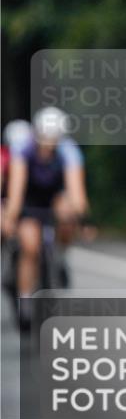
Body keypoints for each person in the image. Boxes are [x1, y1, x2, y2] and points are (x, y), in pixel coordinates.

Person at [1, 109, 92, 329]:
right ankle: (25, 300)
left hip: (53, 197)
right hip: (29, 200)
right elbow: (16, 190)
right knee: (30, 247)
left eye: (55, 139)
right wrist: (11, 218)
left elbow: (76, 192)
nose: (50, 144)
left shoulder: (68, 150)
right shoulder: (23, 149)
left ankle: (60, 254)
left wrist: (83, 219)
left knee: (68, 212)